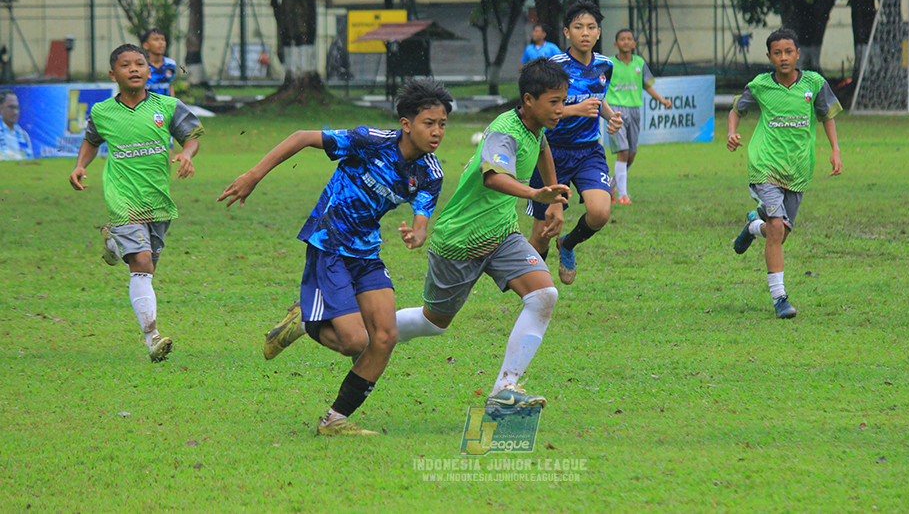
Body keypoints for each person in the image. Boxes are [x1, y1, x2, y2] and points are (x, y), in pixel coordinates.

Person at [219, 79, 452, 436]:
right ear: (406, 124)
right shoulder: (370, 140)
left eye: (443, 124)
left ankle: (334, 420)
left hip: (367, 252)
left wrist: (416, 236)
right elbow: (301, 137)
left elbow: (422, 221)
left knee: (385, 337)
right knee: (355, 343)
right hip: (329, 243)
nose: (437, 132)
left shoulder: (430, 174)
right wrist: (253, 176)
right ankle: (306, 320)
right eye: (429, 123)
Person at [393, 58, 570, 407]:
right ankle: (369, 330)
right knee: (433, 323)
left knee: (544, 296)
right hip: (461, 239)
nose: (561, 109)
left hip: (502, 234)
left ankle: (505, 388)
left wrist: (555, 202)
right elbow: (493, 177)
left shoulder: (535, 126)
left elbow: (543, 148)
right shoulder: (505, 131)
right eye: (554, 102)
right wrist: (535, 194)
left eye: (563, 101)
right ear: (529, 99)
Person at [69, 44, 204, 361]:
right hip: (122, 198)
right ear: (112, 74)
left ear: (149, 71)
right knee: (141, 263)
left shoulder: (167, 106)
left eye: (140, 64)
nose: (133, 69)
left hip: (157, 200)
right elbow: (91, 140)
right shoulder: (102, 112)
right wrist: (80, 166)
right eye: (125, 65)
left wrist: (186, 153)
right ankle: (152, 338)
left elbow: (192, 136)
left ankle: (113, 243)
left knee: (148, 267)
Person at [727, 28, 842, 319]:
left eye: (788, 52)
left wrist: (835, 149)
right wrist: (731, 132)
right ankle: (780, 299)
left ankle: (754, 227)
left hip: (798, 168)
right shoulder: (761, 85)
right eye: (777, 53)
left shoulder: (814, 84)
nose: (783, 57)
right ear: (769, 57)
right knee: (777, 228)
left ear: (798, 54)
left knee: (779, 234)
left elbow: (827, 115)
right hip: (765, 164)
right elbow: (736, 110)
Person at [526, 0, 622, 285]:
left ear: (599, 32)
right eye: (578, 27)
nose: (585, 33)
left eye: (591, 27)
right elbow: (537, 111)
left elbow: (597, 98)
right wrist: (574, 110)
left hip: (589, 150)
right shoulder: (553, 67)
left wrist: (610, 117)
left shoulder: (605, 65)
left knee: (600, 213)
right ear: (567, 32)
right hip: (551, 153)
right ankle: (531, 287)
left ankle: (568, 244)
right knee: (542, 233)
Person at [605, 28, 672, 204]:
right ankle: (623, 195)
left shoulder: (639, 63)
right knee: (623, 151)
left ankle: (610, 185)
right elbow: (601, 84)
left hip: (635, 110)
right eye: (622, 39)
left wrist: (661, 100)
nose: (626, 42)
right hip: (615, 110)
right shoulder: (609, 64)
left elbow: (646, 85)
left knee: (631, 155)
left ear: (634, 43)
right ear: (616, 44)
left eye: (629, 39)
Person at [141, 28, 178, 97]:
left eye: (163, 39)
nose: (161, 43)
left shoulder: (170, 64)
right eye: (156, 39)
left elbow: (170, 86)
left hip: (165, 103)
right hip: (147, 103)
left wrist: (173, 101)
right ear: (146, 45)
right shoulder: (141, 65)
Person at [0, 89, 33, 161]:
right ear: (1, 108)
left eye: (17, 108)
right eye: (11, 107)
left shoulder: (23, 135)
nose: (15, 112)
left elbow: (29, 159)